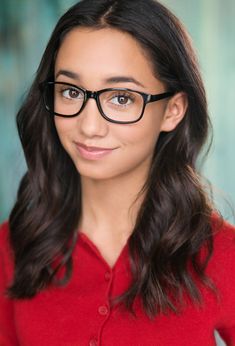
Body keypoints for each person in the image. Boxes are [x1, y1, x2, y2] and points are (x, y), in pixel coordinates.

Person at [0, 0, 235, 345]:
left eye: (121, 98)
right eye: (70, 91)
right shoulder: (11, 247)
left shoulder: (223, 254)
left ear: (173, 110)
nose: (89, 125)